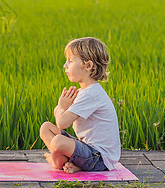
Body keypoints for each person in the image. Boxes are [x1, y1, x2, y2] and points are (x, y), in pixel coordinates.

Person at [39, 37, 121, 174]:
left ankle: (60, 161)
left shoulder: (91, 94)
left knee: (58, 142)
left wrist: (62, 107)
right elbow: (58, 114)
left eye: (70, 61)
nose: (65, 65)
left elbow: (62, 123)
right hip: (87, 148)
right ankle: (66, 163)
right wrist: (61, 108)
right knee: (46, 128)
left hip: (100, 158)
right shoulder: (84, 92)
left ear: (88, 66)